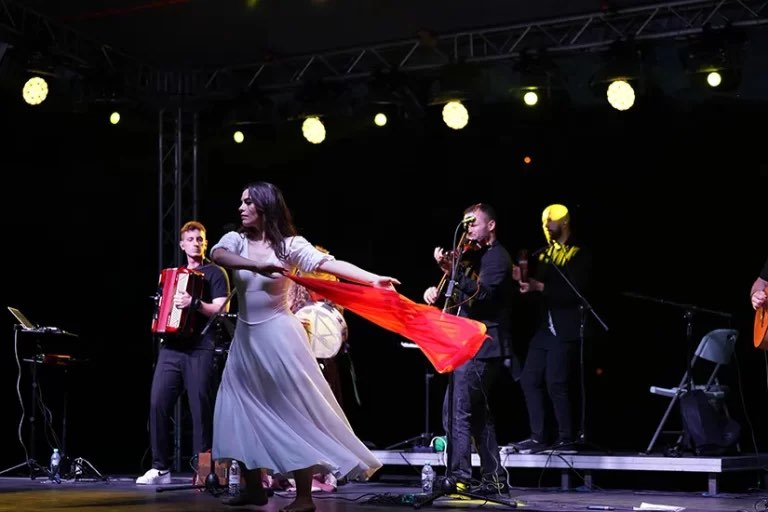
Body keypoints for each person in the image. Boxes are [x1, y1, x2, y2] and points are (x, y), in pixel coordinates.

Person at [209, 181, 399, 511]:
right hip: (246, 340)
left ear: (265, 207)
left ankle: (304, 497)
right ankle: (254, 487)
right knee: (236, 407)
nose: (240, 208)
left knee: (291, 411)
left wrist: (371, 279)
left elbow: (328, 264)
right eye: (240, 201)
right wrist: (257, 266)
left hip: (280, 337)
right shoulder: (236, 240)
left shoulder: (290, 245)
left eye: (248, 203)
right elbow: (218, 254)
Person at [422, 203, 517, 495]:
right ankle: (494, 477)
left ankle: (459, 475)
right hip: (470, 344)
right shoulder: (474, 258)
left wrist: (454, 274)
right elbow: (461, 296)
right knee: (476, 414)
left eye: (474, 224)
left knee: (456, 411)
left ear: (491, 225)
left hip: (482, 346)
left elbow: (482, 294)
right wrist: (440, 284)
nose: (468, 230)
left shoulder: (498, 257)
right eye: (466, 225)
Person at [137, 221, 231, 485]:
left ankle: (204, 472)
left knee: (200, 409)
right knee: (157, 404)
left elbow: (221, 309)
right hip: (172, 348)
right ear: (182, 244)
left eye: (200, 239)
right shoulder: (172, 274)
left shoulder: (215, 273)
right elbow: (163, 304)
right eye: (191, 239)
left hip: (200, 347)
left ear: (205, 242)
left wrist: (194, 303)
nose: (196, 243)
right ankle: (160, 468)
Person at [512, 204, 592, 454]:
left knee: (556, 381)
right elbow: (538, 293)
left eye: (552, 221)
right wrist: (524, 283)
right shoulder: (544, 254)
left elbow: (576, 292)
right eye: (545, 220)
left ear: (565, 222)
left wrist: (541, 287)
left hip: (566, 326)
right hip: (545, 326)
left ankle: (566, 437)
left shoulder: (579, 253)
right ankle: (538, 437)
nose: (547, 225)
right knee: (529, 378)